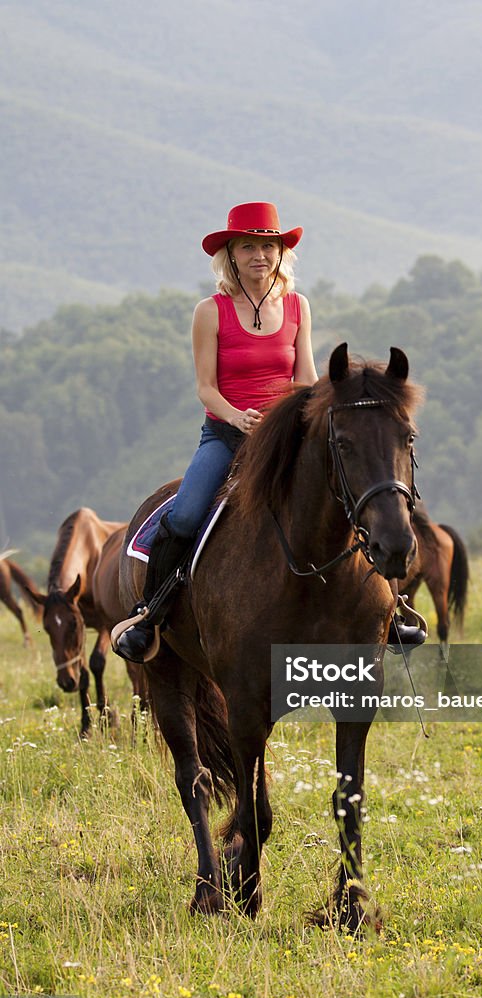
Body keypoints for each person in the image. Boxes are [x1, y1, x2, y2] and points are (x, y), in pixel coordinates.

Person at [114, 202, 318, 662]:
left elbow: (306, 377)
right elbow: (205, 389)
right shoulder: (211, 311)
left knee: (353, 491)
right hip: (226, 434)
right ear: (230, 254)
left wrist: (301, 413)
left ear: (281, 253)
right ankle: (150, 614)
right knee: (185, 516)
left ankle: (392, 608)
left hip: (286, 434)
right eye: (248, 246)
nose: (259, 256)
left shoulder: (298, 306)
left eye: (268, 246)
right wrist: (238, 415)